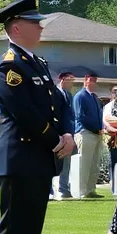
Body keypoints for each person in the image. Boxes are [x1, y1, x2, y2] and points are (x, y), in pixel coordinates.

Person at [0, 0, 74, 234]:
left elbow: (60, 103)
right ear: (15, 29)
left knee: (31, 230)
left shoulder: (38, 63)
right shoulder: (8, 67)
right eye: (34, 23)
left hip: (41, 157)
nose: (40, 28)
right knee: (13, 230)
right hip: (20, 156)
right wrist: (56, 138)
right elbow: (22, 111)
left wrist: (66, 133)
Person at [72, 72, 106, 199]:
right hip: (85, 132)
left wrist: (100, 129)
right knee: (84, 164)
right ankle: (82, 191)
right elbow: (80, 116)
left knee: (94, 164)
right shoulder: (80, 96)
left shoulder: (94, 97)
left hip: (96, 133)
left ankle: (91, 189)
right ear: (85, 80)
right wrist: (95, 128)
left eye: (95, 80)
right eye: (91, 80)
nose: (93, 83)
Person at [53, 71, 76, 200]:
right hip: (55, 132)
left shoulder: (69, 95)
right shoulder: (54, 93)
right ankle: (50, 190)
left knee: (66, 162)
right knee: (51, 161)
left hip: (67, 133)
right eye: (69, 80)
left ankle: (64, 189)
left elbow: (70, 116)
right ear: (62, 80)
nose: (72, 83)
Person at [104, 85, 117, 194]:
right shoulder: (107, 107)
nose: (116, 94)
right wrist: (111, 128)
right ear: (111, 93)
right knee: (114, 161)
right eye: (114, 92)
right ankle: (114, 187)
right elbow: (105, 120)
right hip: (112, 137)